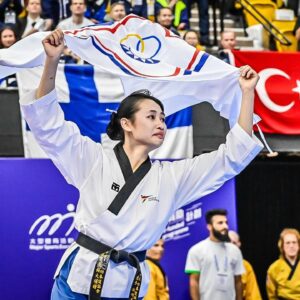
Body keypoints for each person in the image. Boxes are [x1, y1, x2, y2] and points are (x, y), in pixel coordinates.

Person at [19, 28, 262, 299]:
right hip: (78, 278)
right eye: (151, 116)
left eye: (162, 117)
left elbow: (231, 158)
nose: (160, 123)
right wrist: (51, 60)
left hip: (126, 285)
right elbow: (47, 125)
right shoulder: (92, 158)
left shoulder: (172, 177)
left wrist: (247, 93)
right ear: (127, 124)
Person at [185, 209, 244, 300]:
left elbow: (238, 282)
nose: (225, 226)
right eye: (220, 223)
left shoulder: (235, 250)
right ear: (209, 226)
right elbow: (194, 282)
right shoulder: (196, 250)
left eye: (226, 222)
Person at [266, 228, 300, 299]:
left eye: (294, 242)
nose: (291, 246)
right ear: (282, 246)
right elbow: (271, 295)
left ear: (298, 245)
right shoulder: (274, 268)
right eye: (288, 243)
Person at [228, 230, 262, 300]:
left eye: (234, 243)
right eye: (228, 242)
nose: (231, 246)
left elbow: (253, 295)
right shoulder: (214, 264)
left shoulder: (246, 266)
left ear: (238, 245)